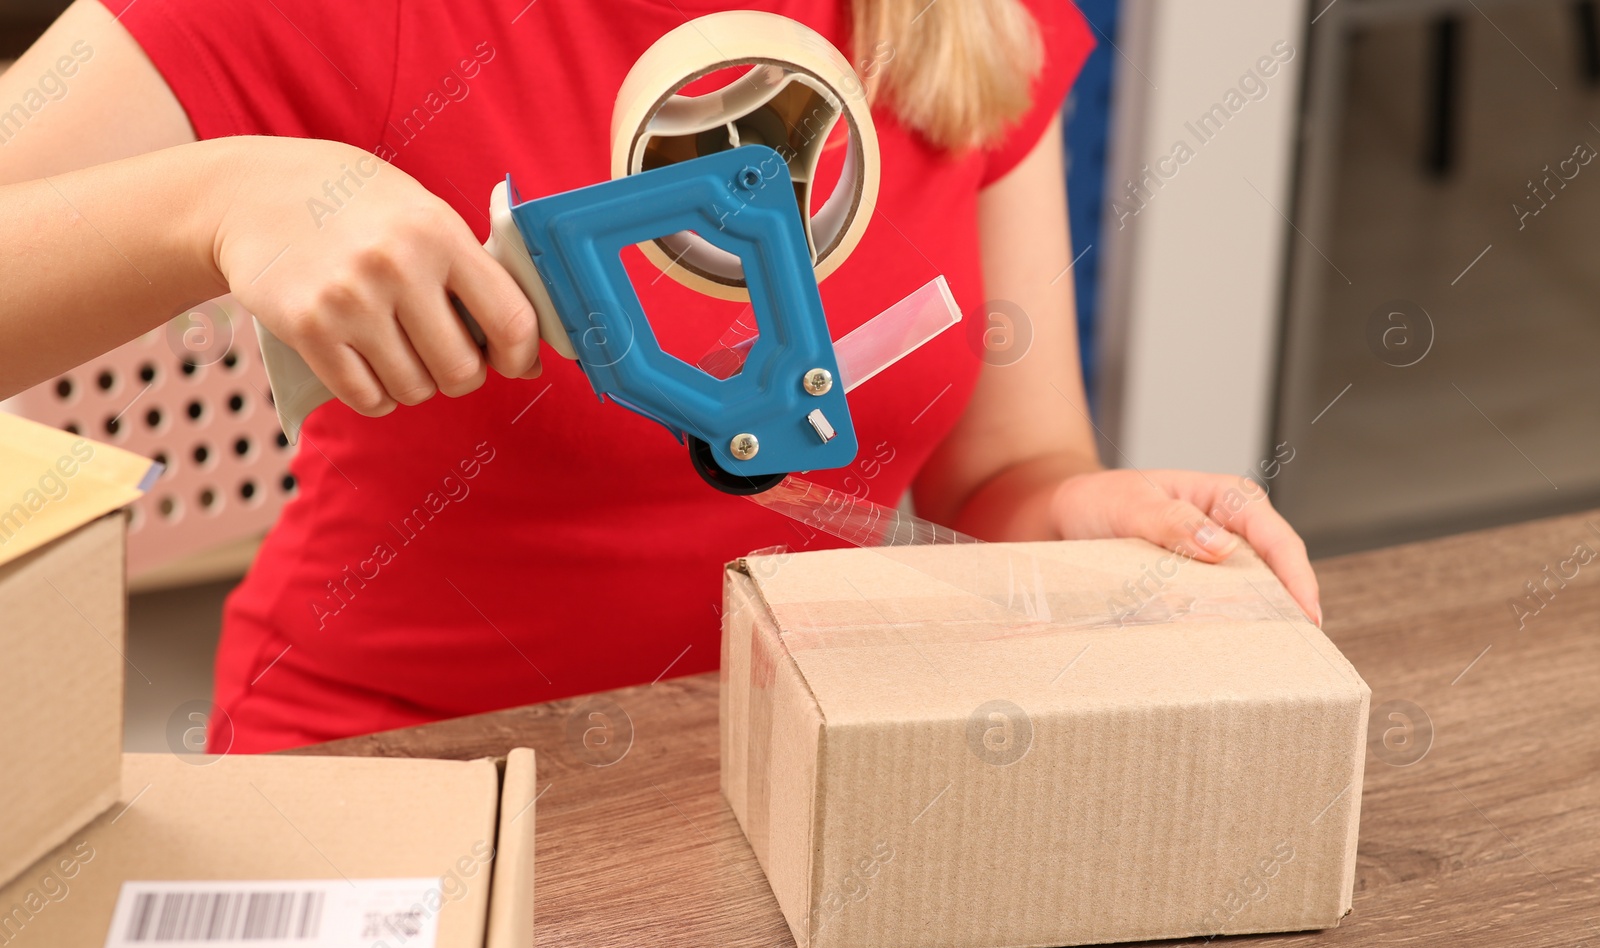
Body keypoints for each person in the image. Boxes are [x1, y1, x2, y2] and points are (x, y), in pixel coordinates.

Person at [0, 0, 1319, 752]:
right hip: (390, 771)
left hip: (785, 772)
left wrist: (1094, 519)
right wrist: (221, 199)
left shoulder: (956, 20)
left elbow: (1009, 467)